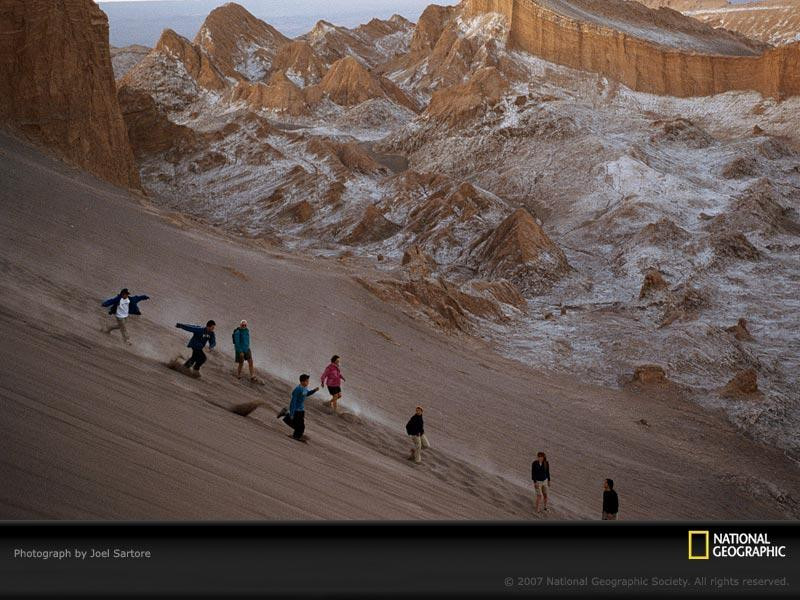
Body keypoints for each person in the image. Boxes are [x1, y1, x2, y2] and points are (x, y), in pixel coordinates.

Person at [278, 374, 319, 441]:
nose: (308, 382)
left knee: (300, 426)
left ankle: (296, 434)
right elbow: (293, 402)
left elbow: (307, 394)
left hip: (301, 410)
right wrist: (292, 413)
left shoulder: (305, 388)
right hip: (296, 410)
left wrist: (314, 390)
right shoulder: (297, 389)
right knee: (299, 426)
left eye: (308, 381)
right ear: (302, 382)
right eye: (306, 381)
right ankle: (296, 435)